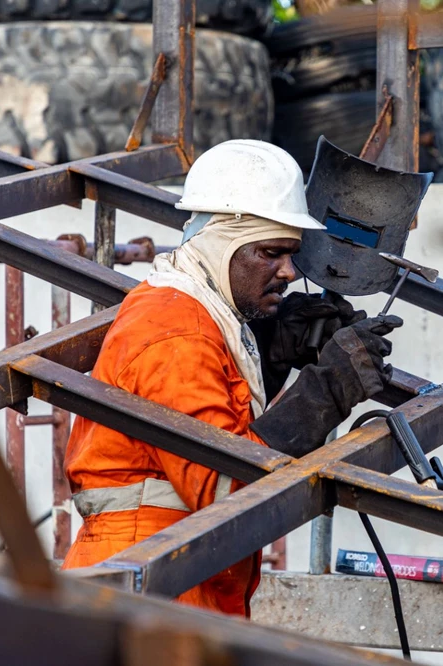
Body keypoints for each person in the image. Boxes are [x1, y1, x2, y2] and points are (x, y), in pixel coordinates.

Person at [60, 140, 402, 617]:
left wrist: (270, 352)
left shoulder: (199, 314)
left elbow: (216, 425)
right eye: (270, 253)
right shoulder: (177, 329)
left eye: (291, 254)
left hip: (171, 569)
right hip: (152, 581)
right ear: (223, 242)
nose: (288, 271)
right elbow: (225, 486)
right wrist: (326, 390)